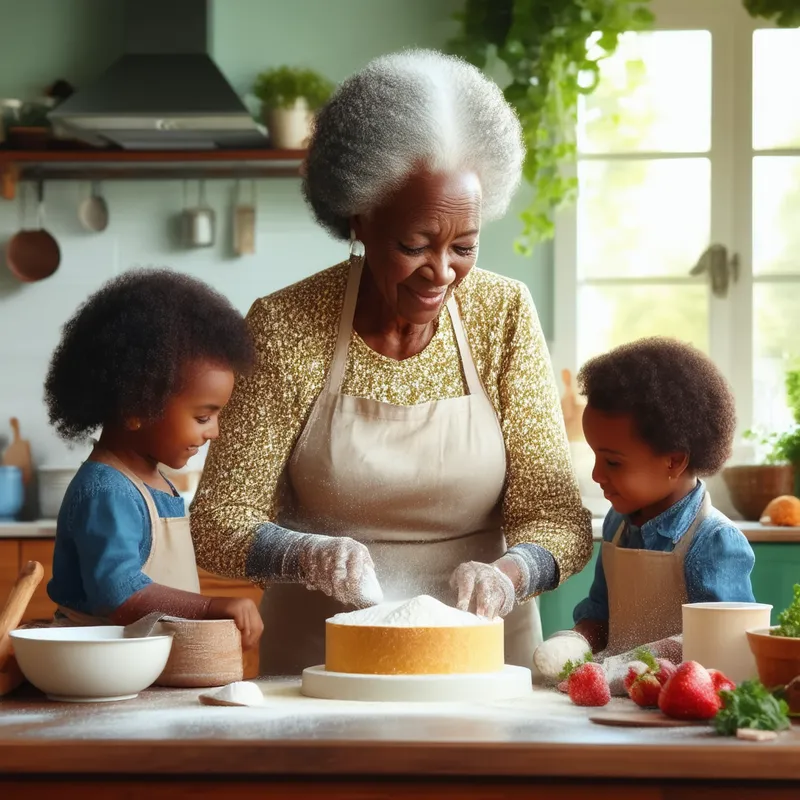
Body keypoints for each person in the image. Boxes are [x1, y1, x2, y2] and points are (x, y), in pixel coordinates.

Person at [190, 49, 593, 675]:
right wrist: (304, 555)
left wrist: (515, 572)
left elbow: (558, 516)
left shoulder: (503, 313)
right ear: (360, 219)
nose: (441, 273)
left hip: (481, 658)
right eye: (413, 245)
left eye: (463, 247)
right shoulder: (287, 323)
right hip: (321, 668)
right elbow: (218, 519)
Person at [44, 270, 263, 651]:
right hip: (101, 665)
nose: (214, 432)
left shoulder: (154, 479)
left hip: (143, 660)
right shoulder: (107, 490)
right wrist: (212, 606)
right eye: (202, 417)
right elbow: (120, 595)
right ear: (137, 406)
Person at [533, 337, 755, 686]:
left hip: (679, 712)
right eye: (594, 456)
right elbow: (601, 615)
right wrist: (574, 643)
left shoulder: (714, 542)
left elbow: (721, 643)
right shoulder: (617, 524)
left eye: (612, 462)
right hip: (613, 707)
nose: (596, 475)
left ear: (674, 460)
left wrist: (629, 666)